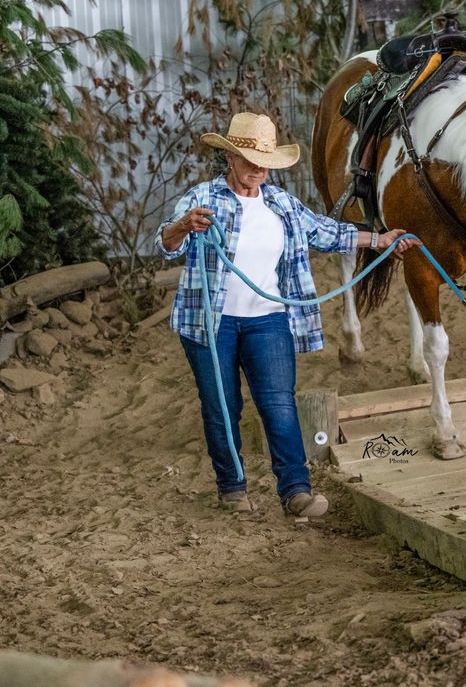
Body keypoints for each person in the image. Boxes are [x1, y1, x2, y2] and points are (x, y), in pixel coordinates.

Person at [157, 112, 419, 517]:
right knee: (221, 405)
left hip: (269, 319)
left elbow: (327, 232)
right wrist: (182, 227)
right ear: (230, 159)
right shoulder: (202, 199)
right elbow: (166, 243)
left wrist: (379, 238)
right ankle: (232, 488)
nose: (257, 172)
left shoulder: (282, 204)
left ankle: (296, 491)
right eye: (249, 163)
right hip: (209, 322)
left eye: (264, 165)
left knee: (278, 404)